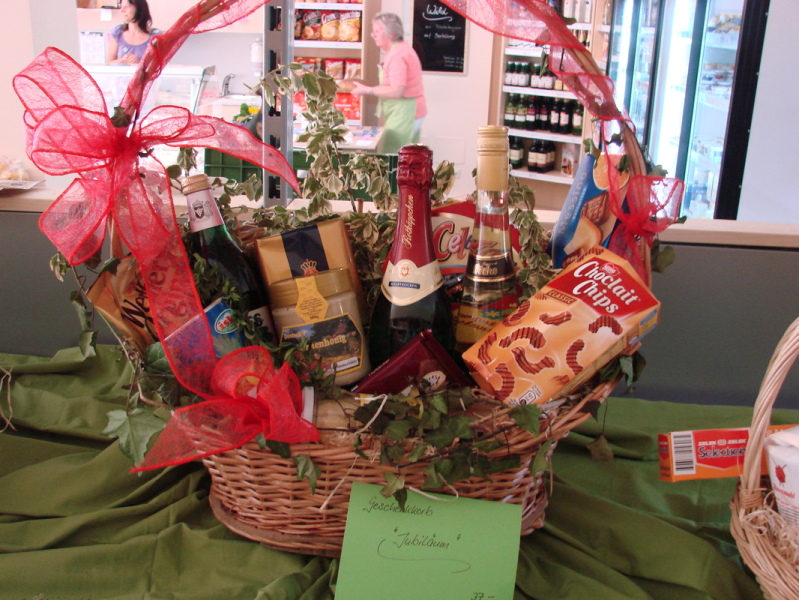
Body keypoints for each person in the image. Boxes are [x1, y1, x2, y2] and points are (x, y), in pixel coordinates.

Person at [351, 13, 426, 154]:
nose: (373, 35)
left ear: (391, 34)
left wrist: (367, 90)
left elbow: (396, 91)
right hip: (406, 111)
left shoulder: (398, 55)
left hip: (405, 112)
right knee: (408, 156)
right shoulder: (399, 50)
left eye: (377, 31)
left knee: (393, 155)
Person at [106, 0, 161, 65]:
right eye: (121, 7)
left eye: (126, 6)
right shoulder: (117, 31)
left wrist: (139, 63)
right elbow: (109, 63)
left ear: (138, 8)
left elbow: (160, 65)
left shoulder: (156, 36)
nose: (122, 10)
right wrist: (123, 61)